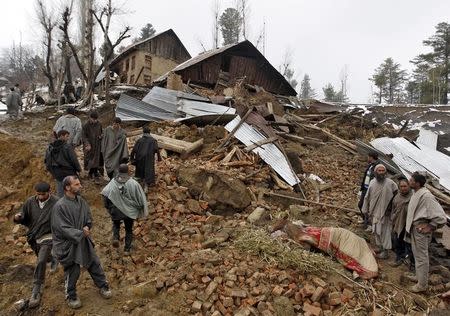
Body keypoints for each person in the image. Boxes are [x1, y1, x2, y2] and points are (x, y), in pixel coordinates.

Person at [51, 176, 112, 309]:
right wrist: (80, 233)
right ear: (68, 187)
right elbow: (62, 228)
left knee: (94, 262)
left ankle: (103, 285)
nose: (80, 186)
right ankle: (71, 295)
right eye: (77, 184)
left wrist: (87, 226)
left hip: (83, 240)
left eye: (79, 184)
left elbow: (88, 218)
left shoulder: (81, 201)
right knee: (73, 269)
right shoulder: (59, 206)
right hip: (68, 244)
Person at [13, 182, 59, 308]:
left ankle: (36, 290)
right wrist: (18, 217)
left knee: (40, 261)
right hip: (34, 236)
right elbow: (23, 215)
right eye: (38, 194)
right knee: (44, 258)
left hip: (50, 235)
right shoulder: (30, 202)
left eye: (43, 194)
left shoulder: (57, 202)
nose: (40, 197)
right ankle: (53, 259)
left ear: (49, 191)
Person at [405, 172, 447, 293]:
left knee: (422, 257)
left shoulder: (427, 196)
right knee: (417, 254)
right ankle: (419, 277)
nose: (409, 181)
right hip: (415, 229)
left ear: (417, 183)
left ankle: (422, 285)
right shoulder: (417, 193)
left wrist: (430, 226)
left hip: (421, 231)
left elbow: (441, 217)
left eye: (412, 180)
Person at [101, 164, 148, 255]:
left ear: (118, 171)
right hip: (129, 212)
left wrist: (109, 208)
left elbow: (105, 194)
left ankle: (115, 238)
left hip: (115, 210)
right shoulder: (134, 183)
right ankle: (127, 249)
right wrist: (139, 208)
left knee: (116, 225)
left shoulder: (112, 182)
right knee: (129, 229)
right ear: (128, 172)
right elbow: (140, 198)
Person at [362, 164, 398, 259]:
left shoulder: (390, 183)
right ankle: (381, 247)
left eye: (383, 171)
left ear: (385, 172)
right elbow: (367, 197)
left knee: (384, 232)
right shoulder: (372, 182)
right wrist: (365, 209)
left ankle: (385, 252)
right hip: (374, 211)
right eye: (379, 171)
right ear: (375, 172)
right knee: (376, 231)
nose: (381, 172)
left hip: (386, 212)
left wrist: (390, 207)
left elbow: (396, 194)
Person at [44, 130, 81, 197]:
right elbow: (74, 160)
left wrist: (52, 172)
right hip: (69, 172)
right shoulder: (67, 147)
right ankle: (76, 204)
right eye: (67, 136)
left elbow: (47, 161)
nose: (68, 138)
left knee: (60, 193)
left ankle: (61, 206)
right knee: (75, 190)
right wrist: (78, 169)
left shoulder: (50, 148)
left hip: (57, 173)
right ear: (61, 136)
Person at [390, 177, 414, 267]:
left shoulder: (413, 197)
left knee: (408, 244)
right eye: (401, 186)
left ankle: (408, 262)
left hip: (408, 225)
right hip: (397, 223)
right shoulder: (397, 197)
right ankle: (398, 258)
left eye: (405, 186)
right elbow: (393, 209)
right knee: (397, 242)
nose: (403, 188)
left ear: (409, 186)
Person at [130, 126, 160, 192]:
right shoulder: (153, 141)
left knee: (140, 172)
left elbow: (134, 150)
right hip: (149, 159)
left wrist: (132, 159)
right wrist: (159, 158)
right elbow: (156, 150)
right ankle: (146, 186)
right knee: (148, 171)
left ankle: (138, 186)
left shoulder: (139, 140)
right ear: (149, 133)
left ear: (143, 133)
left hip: (139, 158)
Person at [358, 152, 381, 228]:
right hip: (365, 188)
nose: (367, 158)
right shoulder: (370, 165)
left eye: (368, 157)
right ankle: (365, 220)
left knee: (368, 207)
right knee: (361, 205)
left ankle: (368, 224)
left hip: (371, 190)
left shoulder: (377, 167)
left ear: (371, 157)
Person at [82, 111, 103, 180]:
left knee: (97, 159)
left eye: (96, 119)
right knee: (90, 159)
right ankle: (90, 173)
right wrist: (87, 144)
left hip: (97, 144)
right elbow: (84, 136)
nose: (95, 121)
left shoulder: (99, 124)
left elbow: (101, 132)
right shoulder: (86, 125)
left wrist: (101, 136)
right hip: (89, 145)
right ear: (90, 118)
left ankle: (95, 172)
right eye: (93, 119)